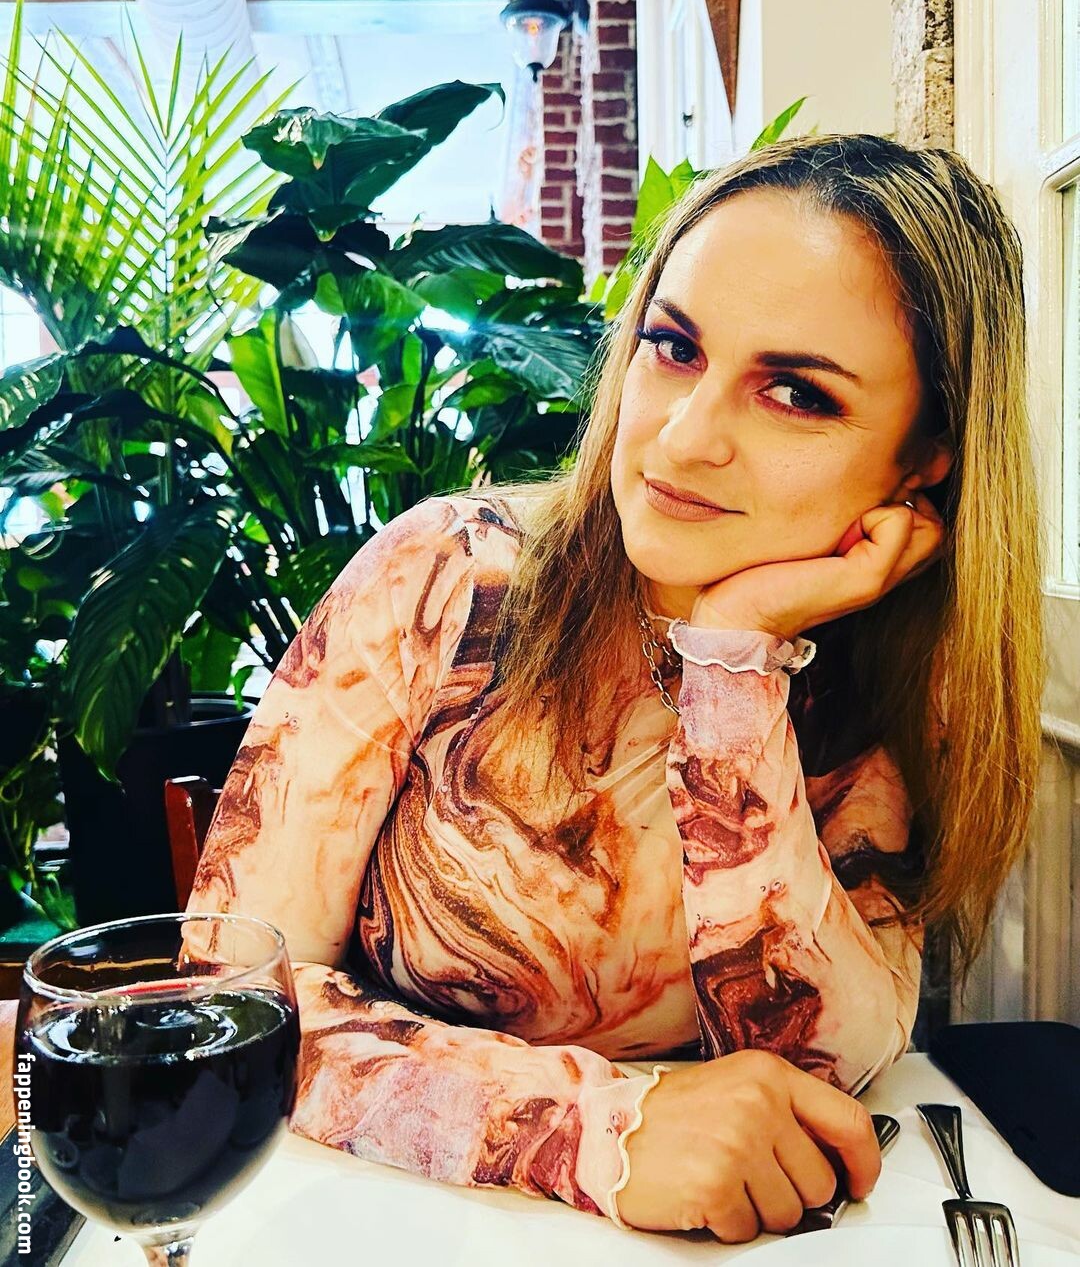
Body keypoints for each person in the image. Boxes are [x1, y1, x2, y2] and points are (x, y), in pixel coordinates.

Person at [186, 133, 1045, 1241]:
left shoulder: (891, 677)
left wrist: (734, 662)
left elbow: (824, 1068)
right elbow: (231, 1000)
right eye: (673, 346)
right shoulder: (445, 579)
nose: (684, 438)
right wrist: (592, 1127)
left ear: (923, 458)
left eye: (794, 392)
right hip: (390, 1219)